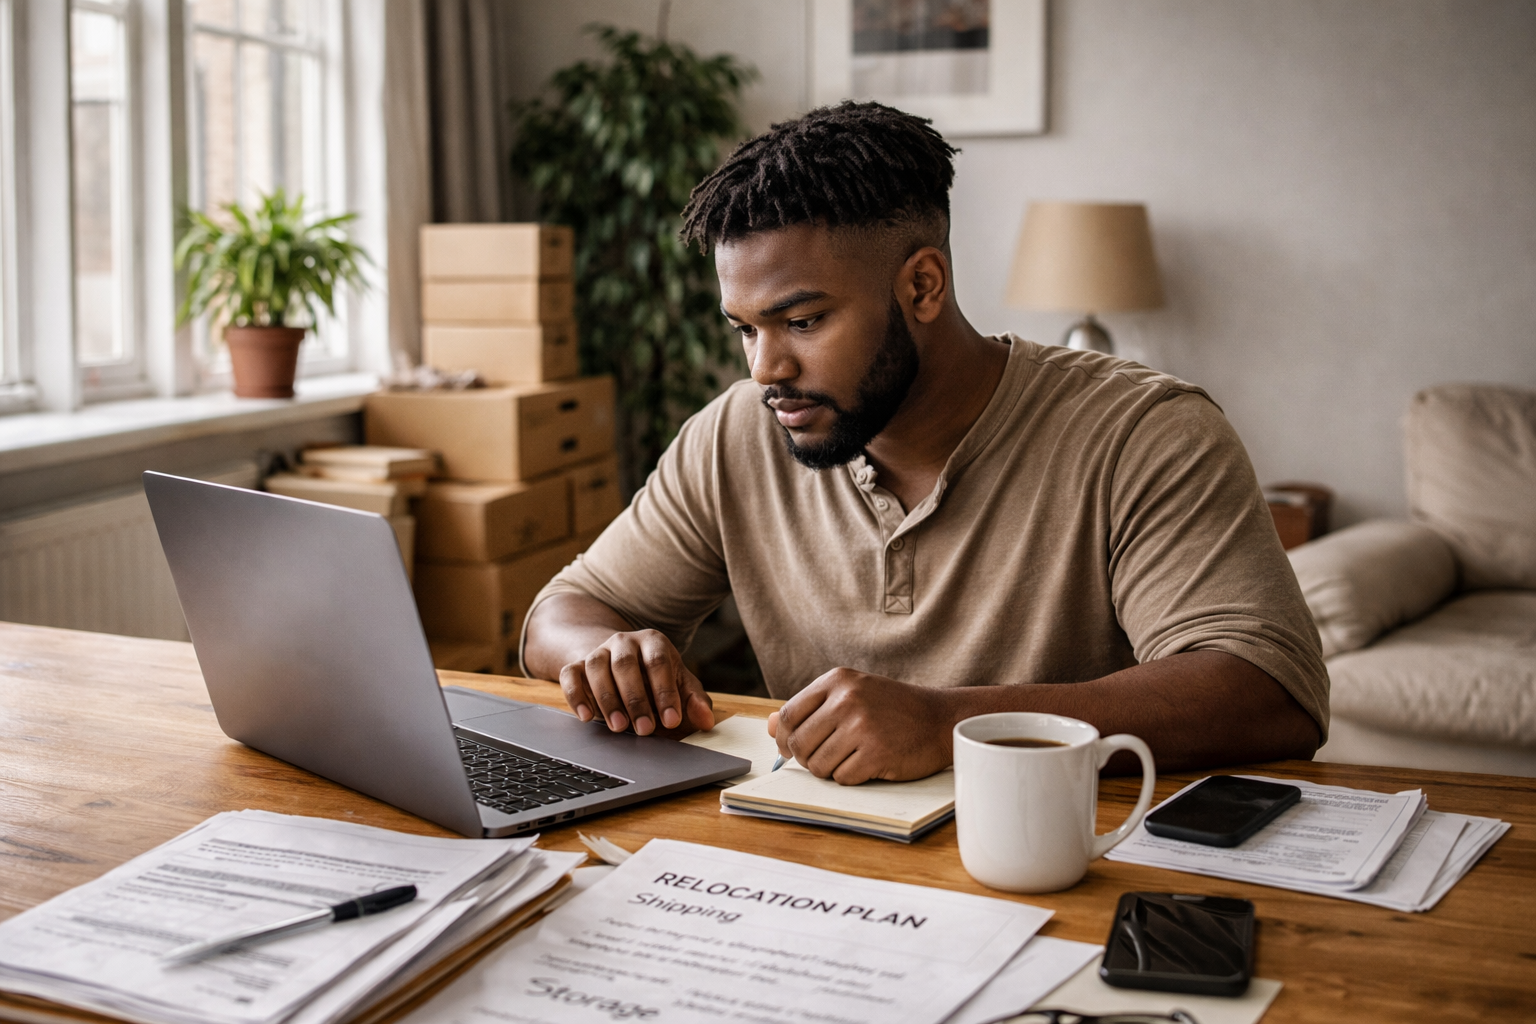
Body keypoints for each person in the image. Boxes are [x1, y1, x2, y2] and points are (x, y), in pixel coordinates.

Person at [522, 101, 1327, 784]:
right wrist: (605, 653)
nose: (767, 366)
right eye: (745, 328)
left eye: (803, 322)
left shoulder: (1145, 433)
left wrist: (953, 724)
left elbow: (1266, 693)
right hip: (818, 876)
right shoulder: (737, 432)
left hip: (1076, 868)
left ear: (922, 285)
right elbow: (557, 617)